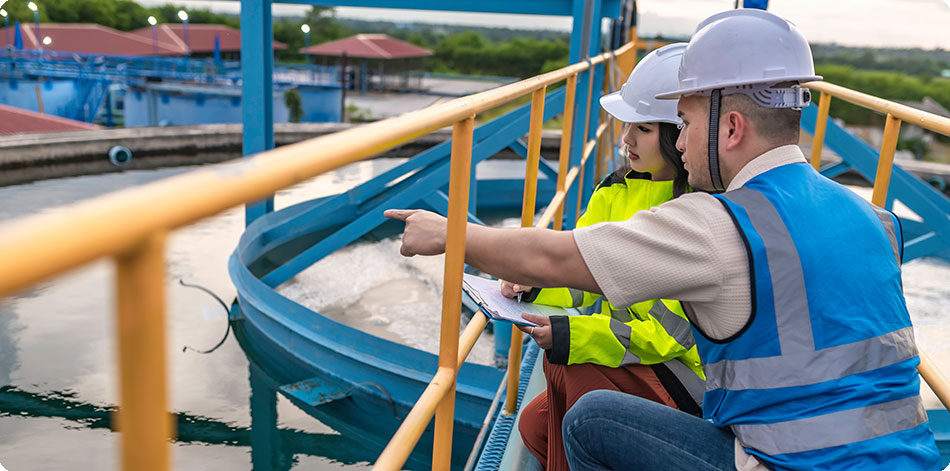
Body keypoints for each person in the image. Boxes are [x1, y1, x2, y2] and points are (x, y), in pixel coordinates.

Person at [384, 8, 941, 471]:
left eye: (687, 124)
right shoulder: (875, 219)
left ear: (730, 128)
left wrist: (448, 233)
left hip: (786, 465)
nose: (682, 145)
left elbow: (554, 257)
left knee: (592, 418)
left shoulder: (720, 223)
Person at [499, 43, 705, 471]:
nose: (625, 139)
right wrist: (533, 282)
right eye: (625, 124)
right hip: (635, 358)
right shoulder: (615, 190)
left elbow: (673, 336)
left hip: (686, 379)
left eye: (643, 129)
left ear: (679, 133)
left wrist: (577, 336)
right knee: (534, 427)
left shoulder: (698, 211)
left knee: (568, 366)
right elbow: (580, 275)